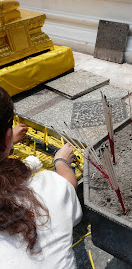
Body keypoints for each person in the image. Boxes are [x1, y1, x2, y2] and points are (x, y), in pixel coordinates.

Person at [0, 86, 82, 268]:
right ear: (7, 135)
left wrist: (7, 142)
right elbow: (66, 186)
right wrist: (61, 161)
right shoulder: (47, 188)